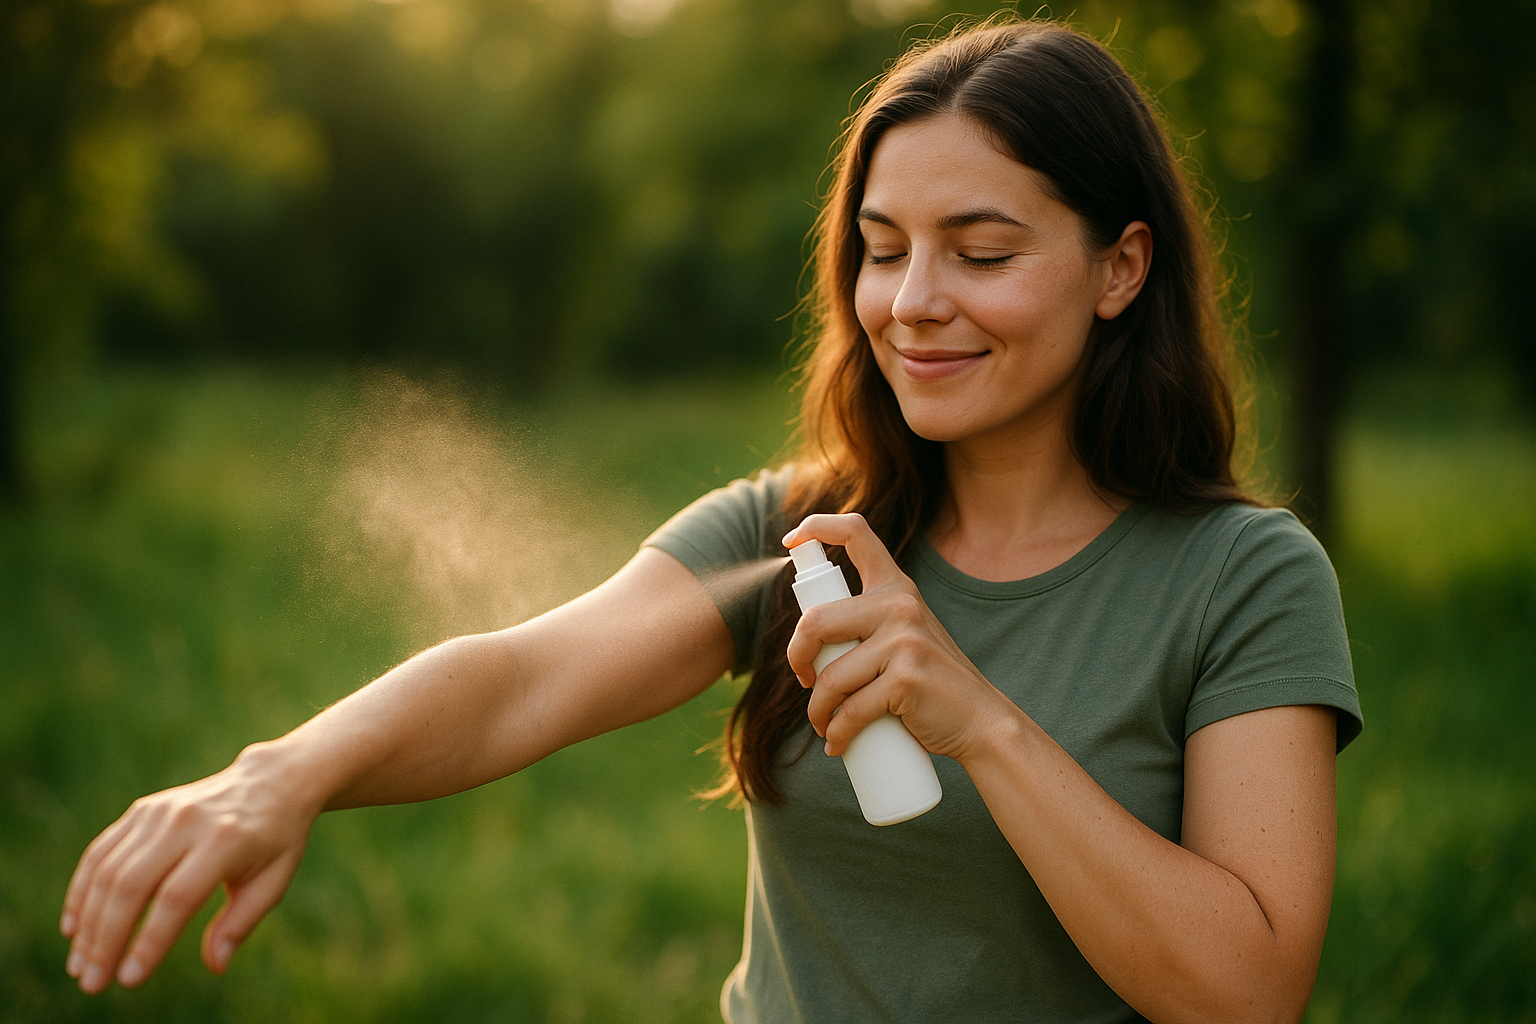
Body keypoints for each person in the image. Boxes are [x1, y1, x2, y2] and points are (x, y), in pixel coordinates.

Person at [60, 16, 1362, 1023]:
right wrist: (286, 773)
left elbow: (1247, 993)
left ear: (1121, 268)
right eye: (882, 245)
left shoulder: (1240, 578)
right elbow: (523, 678)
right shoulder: (802, 538)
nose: (911, 301)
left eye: (981, 251)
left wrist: (981, 724)